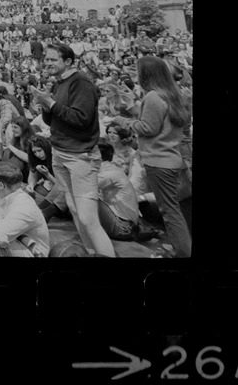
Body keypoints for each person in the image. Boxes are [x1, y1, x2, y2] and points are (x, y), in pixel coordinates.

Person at [30, 42, 116, 257]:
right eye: (46, 59)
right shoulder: (58, 83)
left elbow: (82, 119)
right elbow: (51, 119)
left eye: (52, 60)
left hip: (80, 157)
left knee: (89, 218)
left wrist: (51, 103)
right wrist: (44, 102)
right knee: (75, 210)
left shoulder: (81, 83)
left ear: (67, 61)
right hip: (61, 153)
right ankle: (89, 253)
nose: (46, 63)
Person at [109, 55, 192, 257]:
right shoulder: (172, 94)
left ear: (146, 73)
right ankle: (180, 247)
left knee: (170, 212)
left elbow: (148, 127)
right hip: (172, 159)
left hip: (159, 161)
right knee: (174, 209)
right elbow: (160, 122)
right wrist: (131, 107)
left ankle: (182, 252)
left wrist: (121, 120)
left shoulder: (153, 96)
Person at [95, 139, 141, 242]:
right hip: (126, 224)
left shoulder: (108, 173)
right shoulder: (108, 168)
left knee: (86, 195)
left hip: (123, 227)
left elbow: (83, 187)